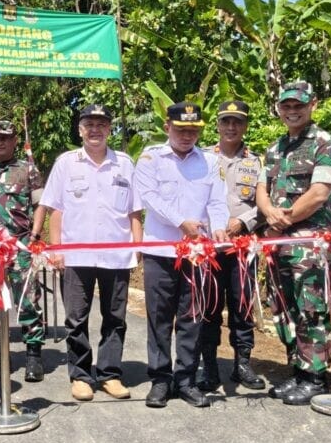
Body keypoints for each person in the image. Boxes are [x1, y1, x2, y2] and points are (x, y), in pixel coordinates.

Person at [37, 104, 142, 402]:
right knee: (75, 318)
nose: (95, 130)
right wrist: (55, 248)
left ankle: (110, 374)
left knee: (115, 317)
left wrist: (137, 248)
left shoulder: (124, 163)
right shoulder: (66, 163)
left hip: (117, 255)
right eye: (89, 124)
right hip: (75, 256)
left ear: (110, 129)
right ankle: (81, 375)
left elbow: (135, 211)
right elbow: (55, 210)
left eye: (101, 124)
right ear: (80, 129)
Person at [134, 102, 229, 408]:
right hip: (161, 249)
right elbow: (147, 196)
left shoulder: (210, 161)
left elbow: (216, 201)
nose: (187, 135)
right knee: (159, 317)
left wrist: (220, 228)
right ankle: (161, 380)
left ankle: (186, 379)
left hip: (198, 253)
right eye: (181, 129)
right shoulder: (151, 158)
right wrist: (181, 221)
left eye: (193, 130)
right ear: (167, 128)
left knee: (192, 316)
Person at [256, 81, 331, 405]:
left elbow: (320, 193)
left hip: (309, 243)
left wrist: (285, 219)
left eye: (299, 105)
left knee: (311, 307)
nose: (292, 111)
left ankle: (315, 376)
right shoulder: (275, 147)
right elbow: (262, 189)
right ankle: (298, 369)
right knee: (283, 308)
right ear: (279, 108)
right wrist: (268, 213)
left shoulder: (326, 145)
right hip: (278, 241)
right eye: (286, 106)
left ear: (313, 105)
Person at [197, 101, 266, 392]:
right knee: (209, 307)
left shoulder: (256, 162)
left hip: (241, 246)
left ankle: (242, 364)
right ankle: (209, 366)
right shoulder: (200, 159)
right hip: (210, 248)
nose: (231, 127)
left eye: (237, 122)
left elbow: (266, 204)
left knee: (242, 306)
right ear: (217, 125)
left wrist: (243, 221)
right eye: (226, 121)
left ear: (245, 126)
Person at [0, 120, 46, 383]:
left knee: (28, 301)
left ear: (15, 140)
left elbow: (41, 204)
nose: (0, 143)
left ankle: (33, 357)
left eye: (5, 138)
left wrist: (35, 236)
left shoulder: (28, 170)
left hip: (20, 247)